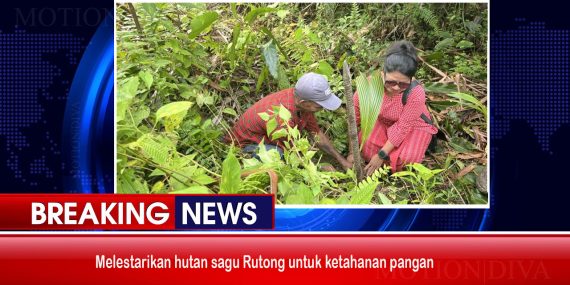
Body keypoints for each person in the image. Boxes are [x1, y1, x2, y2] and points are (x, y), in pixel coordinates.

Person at [227, 72, 352, 170]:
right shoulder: (281, 117)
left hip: (268, 139)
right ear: (304, 103)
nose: (322, 109)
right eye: (319, 106)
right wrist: (318, 167)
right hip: (245, 146)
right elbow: (291, 153)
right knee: (279, 155)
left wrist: (342, 161)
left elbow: (317, 134)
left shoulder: (301, 103)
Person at [348, 40, 438, 176]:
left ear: (411, 79)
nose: (396, 87)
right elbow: (354, 117)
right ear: (383, 73)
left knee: (407, 159)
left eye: (402, 84)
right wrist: (351, 152)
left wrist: (381, 155)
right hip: (384, 121)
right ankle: (385, 166)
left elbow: (403, 127)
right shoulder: (370, 84)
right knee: (363, 148)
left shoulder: (415, 92)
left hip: (412, 125)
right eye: (391, 82)